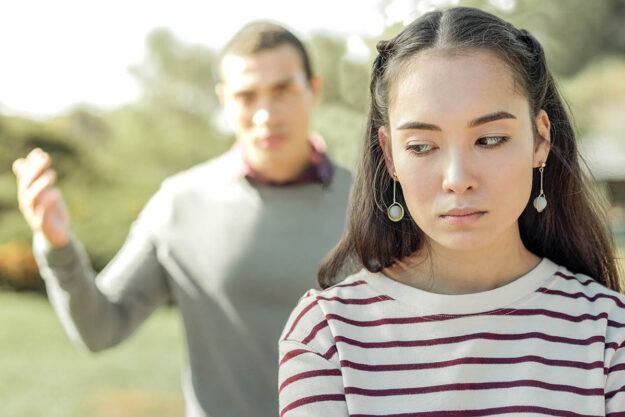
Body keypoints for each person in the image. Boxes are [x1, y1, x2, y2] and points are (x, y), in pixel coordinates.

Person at [278, 7, 625, 416]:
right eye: (422, 146)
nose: (458, 179)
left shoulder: (608, 333)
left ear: (540, 140)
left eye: (490, 139)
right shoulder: (327, 337)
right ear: (389, 155)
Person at [12, 22, 352, 417]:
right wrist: (57, 246)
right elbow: (100, 330)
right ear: (224, 101)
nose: (265, 114)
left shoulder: (369, 202)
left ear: (313, 89)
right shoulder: (180, 204)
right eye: (246, 96)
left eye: (283, 90)